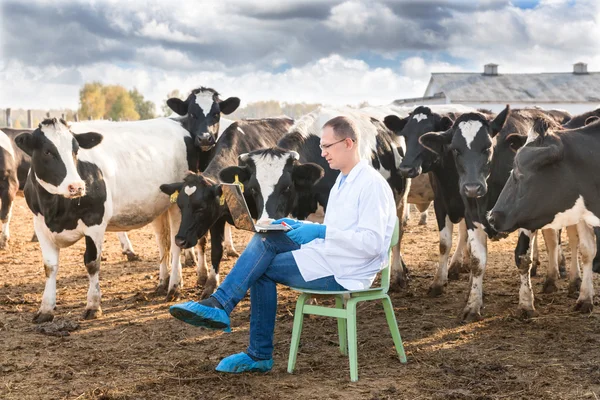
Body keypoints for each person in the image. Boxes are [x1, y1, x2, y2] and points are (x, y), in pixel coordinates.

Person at [169, 115, 397, 373]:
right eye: (321, 147)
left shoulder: (371, 185)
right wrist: (305, 228)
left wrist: (320, 232)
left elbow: (375, 244)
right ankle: (225, 313)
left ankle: (249, 342)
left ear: (348, 143)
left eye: (327, 147)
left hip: (348, 271)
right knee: (266, 236)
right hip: (330, 256)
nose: (322, 154)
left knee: (260, 266)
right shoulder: (343, 181)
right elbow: (336, 231)